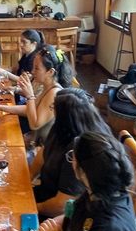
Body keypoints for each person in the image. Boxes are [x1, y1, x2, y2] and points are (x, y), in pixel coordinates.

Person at [31, 88, 113, 218]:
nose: (52, 111)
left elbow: (61, 205)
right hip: (45, 193)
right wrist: (27, 179)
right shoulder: (61, 126)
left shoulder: (81, 150)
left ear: (66, 116)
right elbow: (43, 152)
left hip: (61, 214)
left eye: (54, 108)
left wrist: (32, 208)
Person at [0, 44, 74, 144]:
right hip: (35, 140)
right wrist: (0, 107)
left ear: (50, 72)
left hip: (42, 148)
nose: (32, 71)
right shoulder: (48, 87)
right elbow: (29, 109)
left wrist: (30, 96)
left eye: (37, 68)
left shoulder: (54, 93)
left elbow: (35, 124)